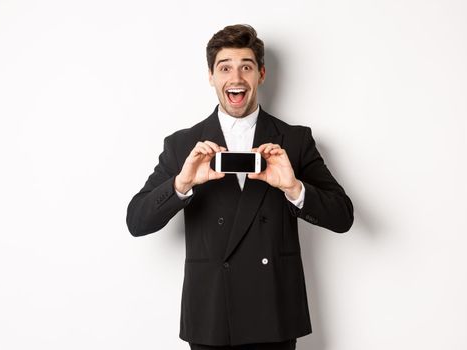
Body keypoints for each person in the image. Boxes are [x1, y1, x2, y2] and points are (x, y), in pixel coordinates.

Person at [126, 24, 354, 350]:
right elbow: (137, 220)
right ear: (211, 76)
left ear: (261, 74)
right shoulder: (182, 145)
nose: (236, 77)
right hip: (211, 318)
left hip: (274, 314)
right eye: (225, 67)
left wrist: (293, 188)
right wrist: (182, 183)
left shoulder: (294, 140)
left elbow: (343, 216)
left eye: (246, 66)